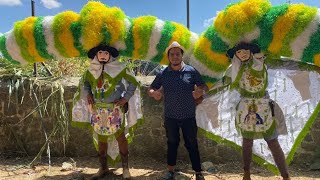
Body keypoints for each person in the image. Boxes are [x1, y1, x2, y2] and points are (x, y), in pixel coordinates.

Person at [72, 44, 141, 180]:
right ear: (96, 55)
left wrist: (125, 99)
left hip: (115, 110)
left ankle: (125, 168)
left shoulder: (120, 68)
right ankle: (103, 168)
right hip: (98, 110)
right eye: (100, 52)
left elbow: (133, 83)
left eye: (106, 53)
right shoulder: (91, 70)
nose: (103, 55)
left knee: (121, 138)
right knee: (101, 138)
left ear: (110, 55)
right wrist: (88, 94)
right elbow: (85, 83)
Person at [221, 42, 290, 180]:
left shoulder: (263, 62)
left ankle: (286, 176)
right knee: (247, 142)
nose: (243, 53)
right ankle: (246, 173)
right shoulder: (232, 70)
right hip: (245, 108)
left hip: (264, 106)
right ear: (236, 55)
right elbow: (221, 84)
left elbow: (284, 62)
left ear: (251, 51)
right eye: (239, 52)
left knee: (272, 142)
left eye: (245, 50)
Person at [148, 41, 208, 180]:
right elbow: (151, 88)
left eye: (177, 54)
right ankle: (170, 171)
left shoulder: (191, 71)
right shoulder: (163, 73)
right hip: (170, 116)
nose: (175, 57)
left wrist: (200, 92)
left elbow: (204, 86)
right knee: (172, 143)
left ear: (182, 55)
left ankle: (198, 173)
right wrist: (153, 93)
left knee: (192, 144)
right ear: (168, 57)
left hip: (188, 116)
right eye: (172, 54)